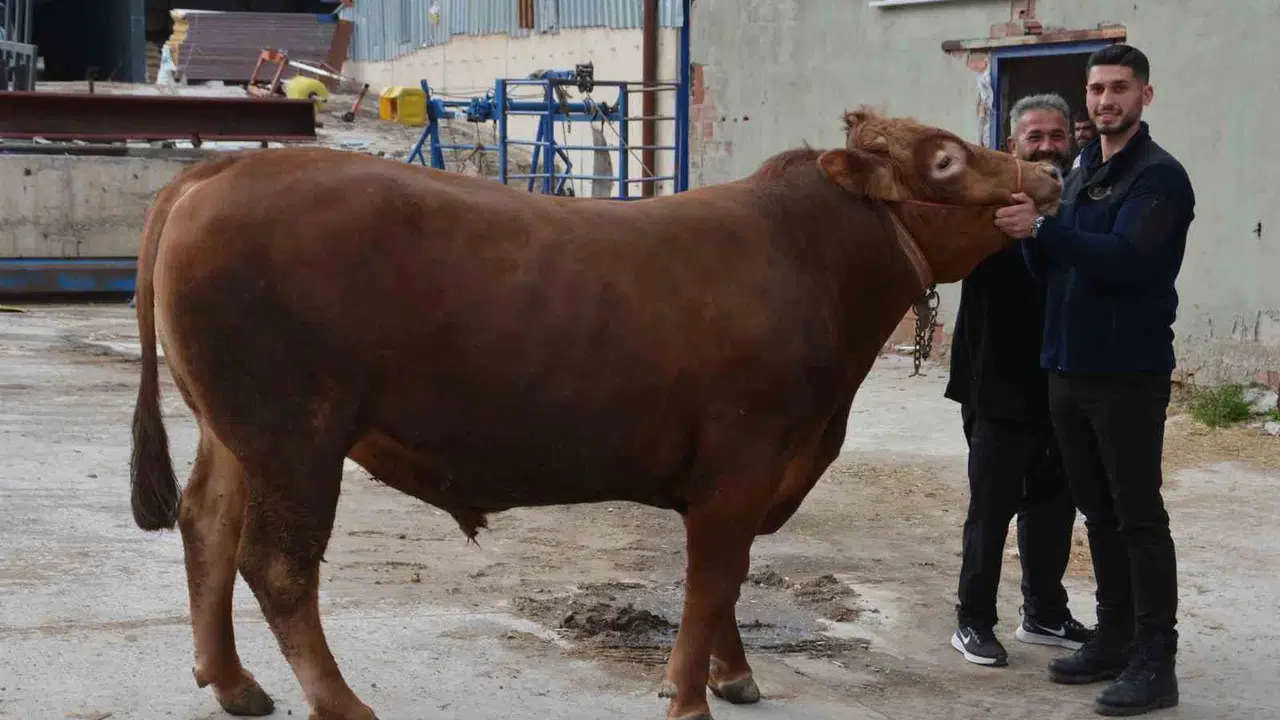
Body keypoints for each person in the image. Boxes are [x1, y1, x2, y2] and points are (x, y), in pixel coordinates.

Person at [994, 44, 1193, 716]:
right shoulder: (1083, 170)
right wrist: (1029, 238)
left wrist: (1042, 229)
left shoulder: (1159, 178)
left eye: (1119, 88)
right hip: (1067, 369)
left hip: (1126, 374)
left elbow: (1129, 260)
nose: (1106, 100)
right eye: (1098, 89)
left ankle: (1155, 660)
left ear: (1144, 95)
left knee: (1138, 517)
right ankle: (1113, 638)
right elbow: (1055, 265)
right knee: (1100, 515)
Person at [944, 93, 1094, 668]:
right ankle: (973, 622)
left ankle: (1044, 613)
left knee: (1055, 505)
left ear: (1070, 140)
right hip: (996, 382)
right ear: (1013, 145)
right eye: (1035, 136)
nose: (1047, 146)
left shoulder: (1079, 199)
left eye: (1057, 135)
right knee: (992, 508)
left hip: (1061, 382)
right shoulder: (988, 203)